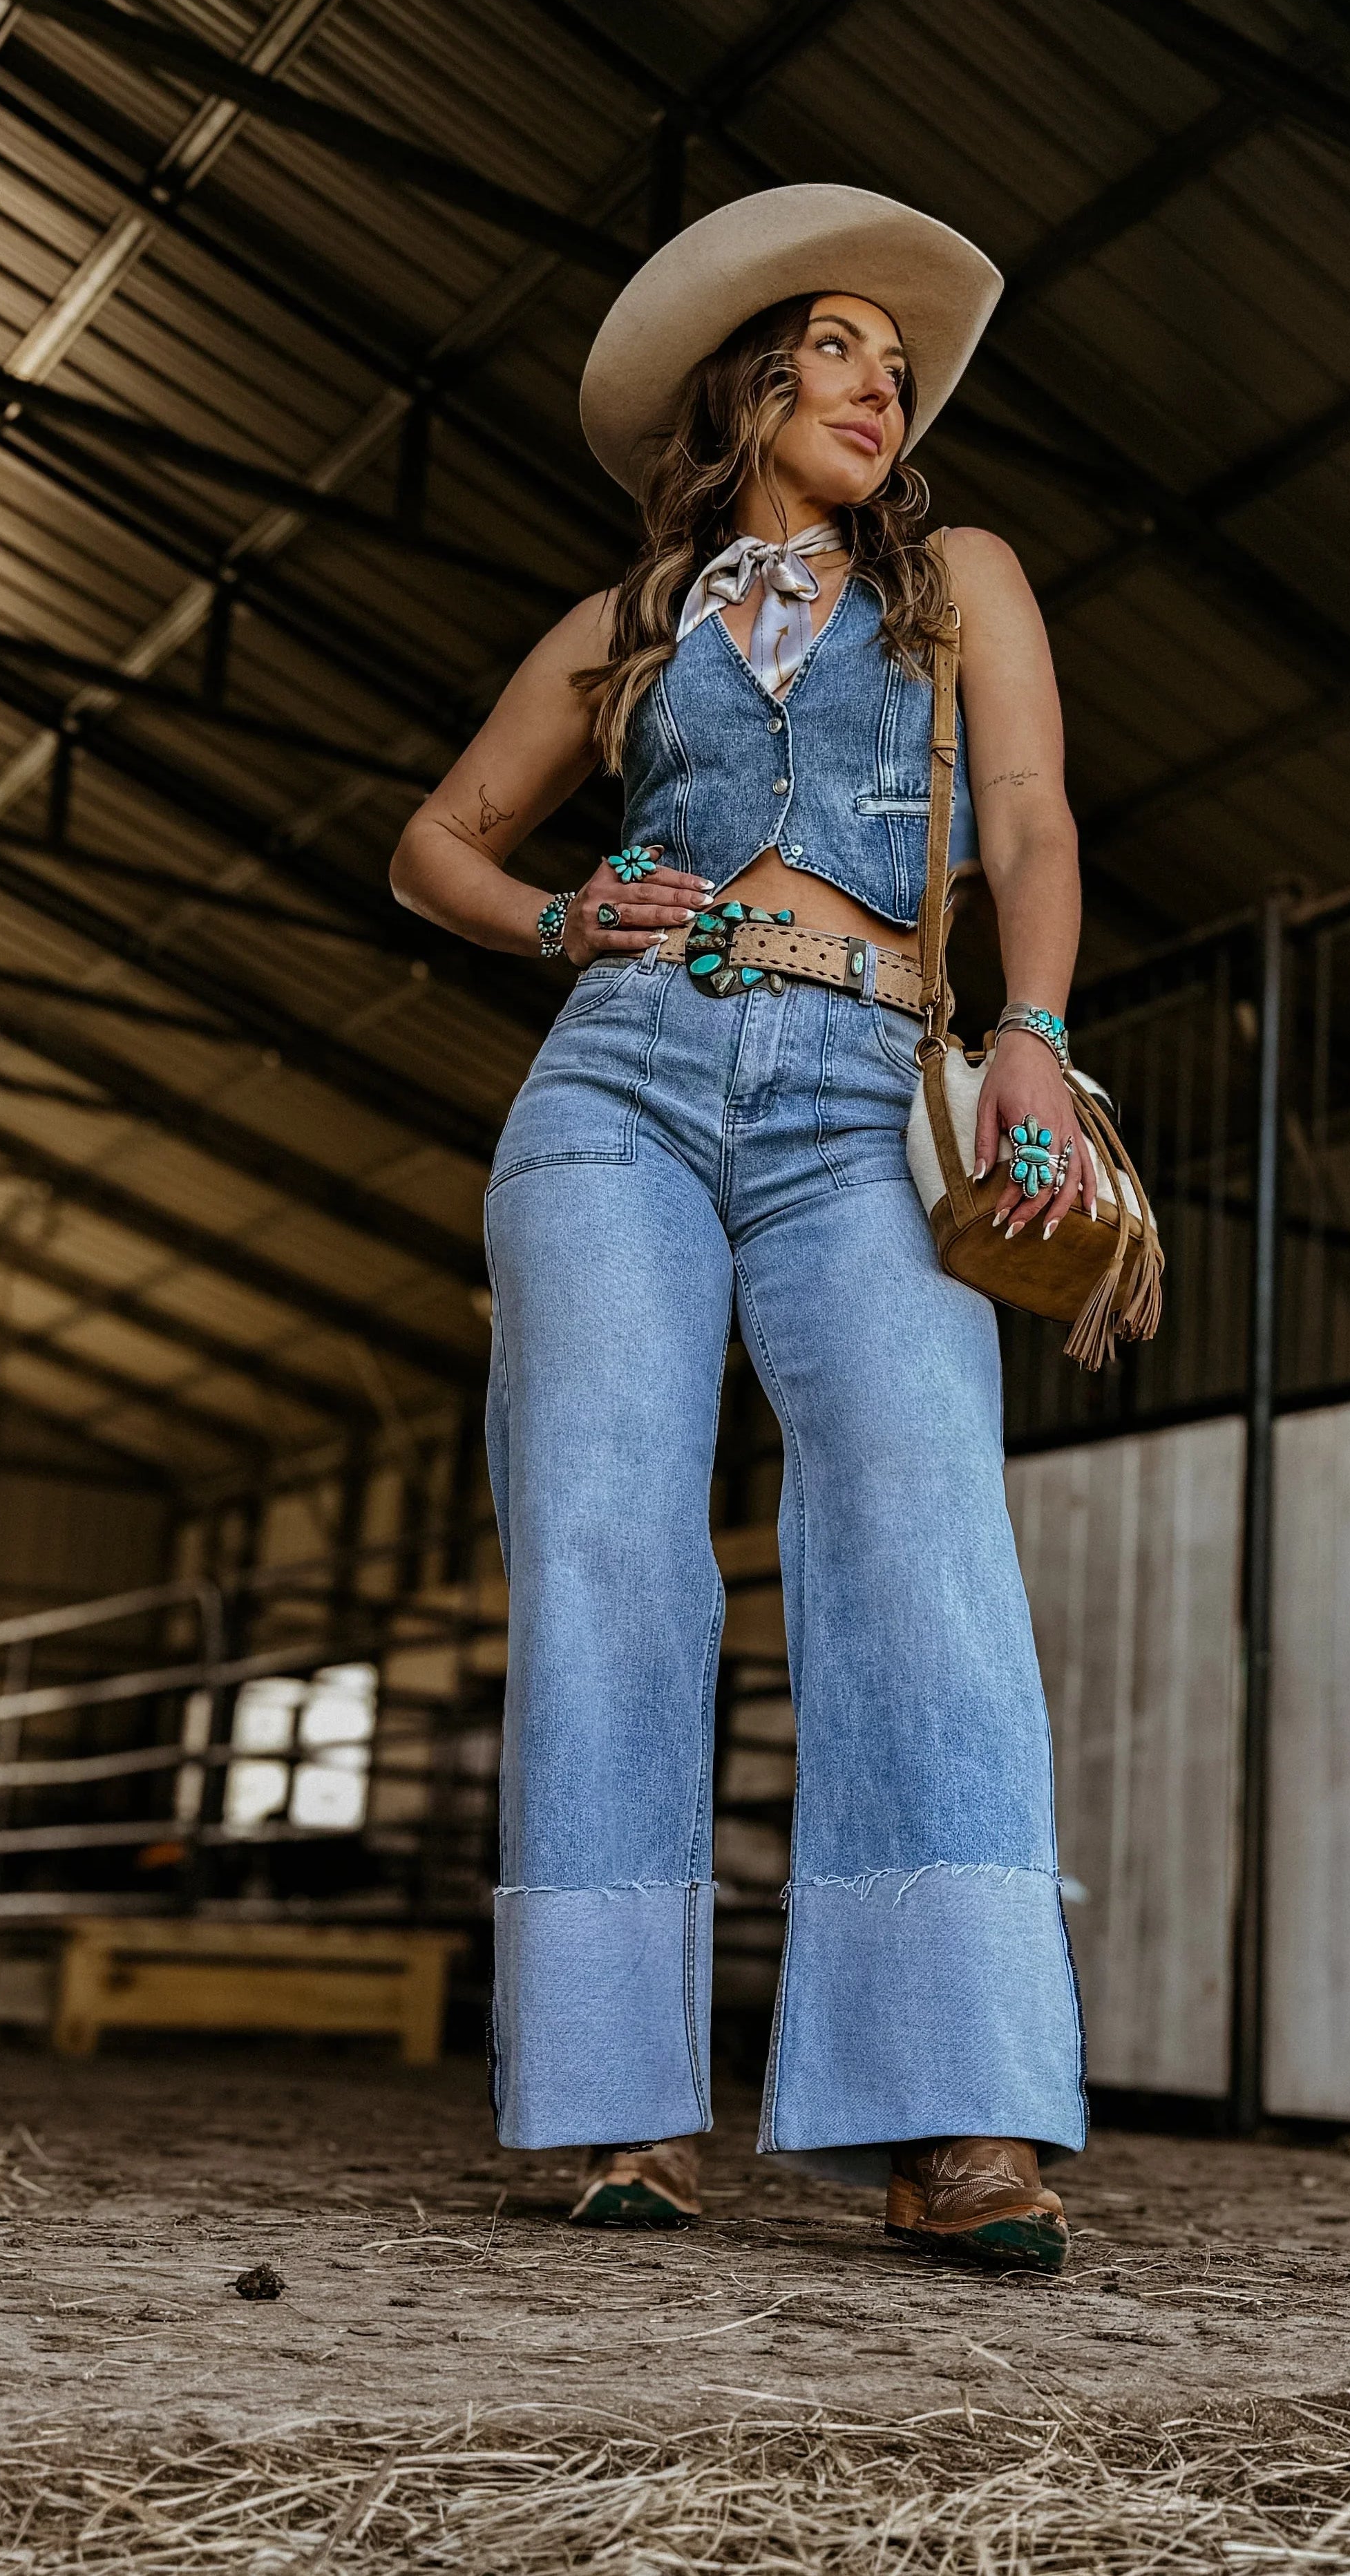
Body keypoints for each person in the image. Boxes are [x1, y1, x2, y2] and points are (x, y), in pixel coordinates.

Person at [390, 185, 1092, 2275]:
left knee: (922, 1532)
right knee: (603, 1546)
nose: (881, 382)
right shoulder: (627, 622)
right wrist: (547, 914)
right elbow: (431, 839)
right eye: (841, 346)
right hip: (616, 1080)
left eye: (900, 363)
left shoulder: (962, 580)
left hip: (868, 1083)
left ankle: (956, 2110)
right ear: (753, 381)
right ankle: (614, 2109)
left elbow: (1038, 817)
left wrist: (1036, 1032)